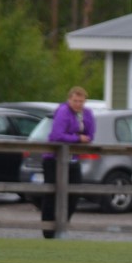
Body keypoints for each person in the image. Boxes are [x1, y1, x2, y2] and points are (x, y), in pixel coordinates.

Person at [42, 86, 96, 239]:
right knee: (51, 195)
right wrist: (77, 138)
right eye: (75, 100)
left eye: (81, 101)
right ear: (69, 99)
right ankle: (48, 232)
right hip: (53, 159)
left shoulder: (87, 113)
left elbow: (91, 135)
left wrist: (79, 137)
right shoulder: (63, 111)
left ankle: (62, 226)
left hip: (73, 159)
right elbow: (57, 135)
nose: (78, 104)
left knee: (74, 193)